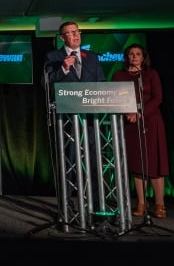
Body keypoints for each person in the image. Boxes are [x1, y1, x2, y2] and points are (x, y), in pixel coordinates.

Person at [45, 21, 106, 211]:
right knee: (68, 163)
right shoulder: (53, 57)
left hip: (90, 121)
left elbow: (101, 84)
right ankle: (67, 206)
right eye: (70, 33)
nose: (76, 35)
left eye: (77, 31)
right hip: (68, 121)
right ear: (62, 37)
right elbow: (46, 84)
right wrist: (62, 69)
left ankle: (97, 206)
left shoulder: (92, 57)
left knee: (94, 163)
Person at [112, 43, 169, 219]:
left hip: (151, 121)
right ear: (126, 57)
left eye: (137, 54)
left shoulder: (151, 74)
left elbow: (158, 97)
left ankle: (160, 204)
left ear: (143, 57)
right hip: (129, 123)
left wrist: (140, 113)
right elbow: (113, 97)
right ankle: (142, 203)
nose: (134, 57)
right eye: (130, 54)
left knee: (154, 164)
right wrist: (128, 113)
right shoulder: (119, 76)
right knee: (138, 164)